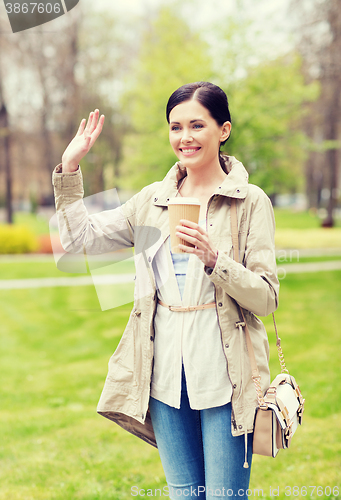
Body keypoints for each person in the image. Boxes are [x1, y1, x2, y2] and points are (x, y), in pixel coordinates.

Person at [52, 82, 279, 499]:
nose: (185, 137)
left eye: (197, 125)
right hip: (163, 381)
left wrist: (216, 261)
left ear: (223, 129)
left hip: (224, 379)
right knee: (184, 495)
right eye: (176, 127)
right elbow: (80, 239)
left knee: (226, 496)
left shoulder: (249, 202)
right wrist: (69, 170)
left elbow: (266, 298)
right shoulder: (151, 201)